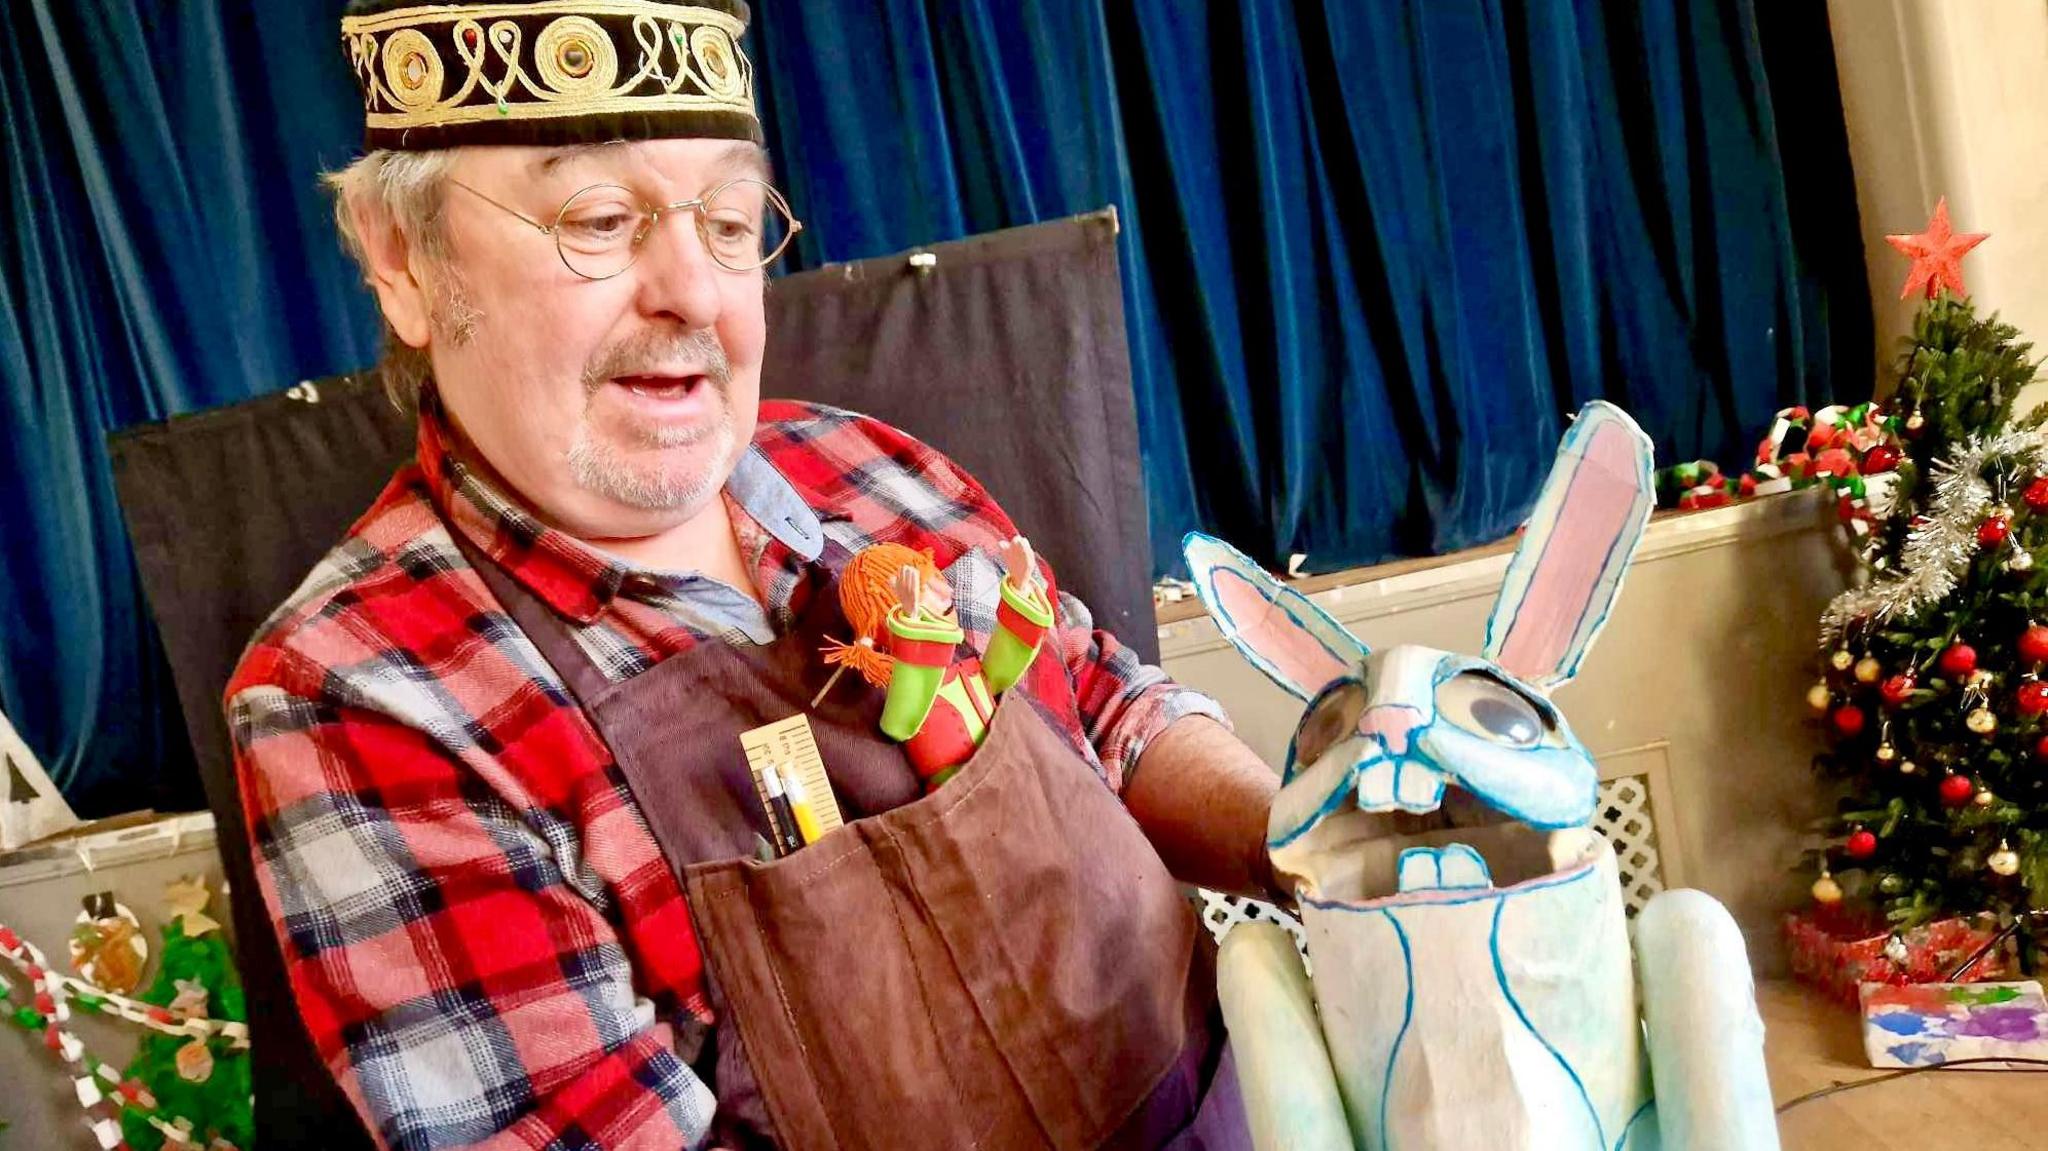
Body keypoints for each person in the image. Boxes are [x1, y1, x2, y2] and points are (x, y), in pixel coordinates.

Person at [228, 2, 1279, 1147]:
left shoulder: (866, 464)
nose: (696, 292)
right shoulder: (361, 692)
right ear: (406, 267)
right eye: (598, 217)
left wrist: (1310, 836)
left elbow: (1108, 707)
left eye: (730, 222)